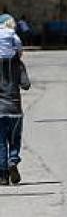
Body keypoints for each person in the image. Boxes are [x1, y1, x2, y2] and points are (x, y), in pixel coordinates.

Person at [0, 51, 30, 185]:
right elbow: (26, 85)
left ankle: (3, 175)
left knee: (0, 142)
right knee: (14, 139)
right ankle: (12, 161)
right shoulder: (18, 64)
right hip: (15, 109)